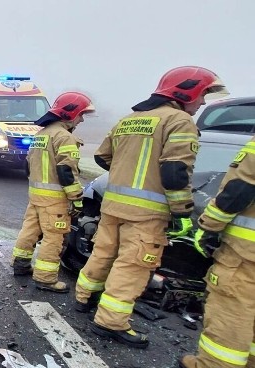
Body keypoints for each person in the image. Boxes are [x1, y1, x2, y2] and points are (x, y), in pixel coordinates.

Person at [74, 66, 228, 349]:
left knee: (103, 253)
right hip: (146, 213)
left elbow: (102, 156)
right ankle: (110, 322)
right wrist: (181, 212)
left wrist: (126, 176)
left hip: (113, 205)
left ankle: (84, 298)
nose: (202, 103)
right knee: (132, 266)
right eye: (202, 95)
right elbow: (175, 172)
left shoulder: (130, 119)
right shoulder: (180, 122)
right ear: (187, 92)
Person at [179, 136, 254, 368]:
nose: (201, 103)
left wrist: (209, 226)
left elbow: (240, 188)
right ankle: (249, 365)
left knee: (233, 307)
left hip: (247, 251)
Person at [11, 92, 95, 292]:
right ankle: (46, 278)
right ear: (69, 113)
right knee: (54, 237)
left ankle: (20, 264)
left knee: (30, 230)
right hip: (55, 200)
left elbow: (28, 166)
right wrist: (76, 199)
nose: (82, 119)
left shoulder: (41, 135)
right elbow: (66, 171)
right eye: (81, 114)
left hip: (36, 196)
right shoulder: (65, 137)